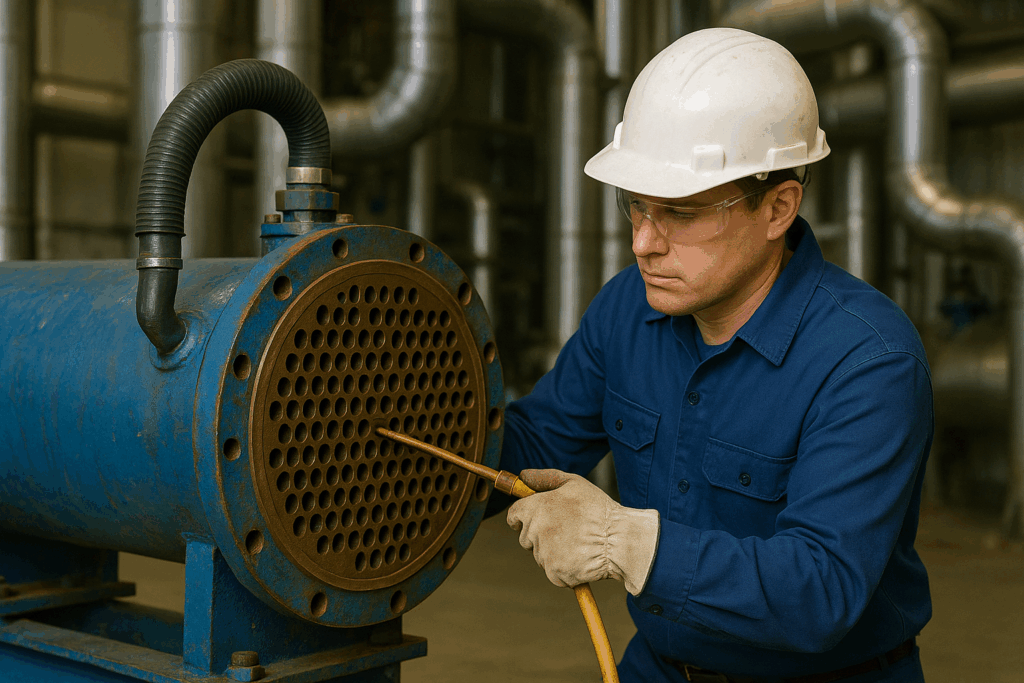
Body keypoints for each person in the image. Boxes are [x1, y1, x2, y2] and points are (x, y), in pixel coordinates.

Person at [487, 27, 932, 683]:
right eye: (634, 205)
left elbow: (821, 589)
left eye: (680, 212)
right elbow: (534, 442)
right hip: (660, 668)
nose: (642, 242)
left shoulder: (867, 359)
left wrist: (623, 542)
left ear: (778, 206)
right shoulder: (626, 310)